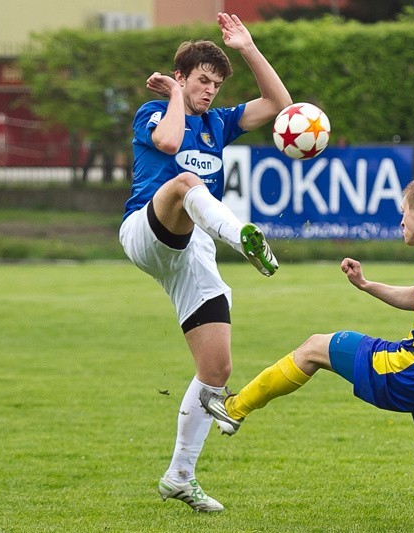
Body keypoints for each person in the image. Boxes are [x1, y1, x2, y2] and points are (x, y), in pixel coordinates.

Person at [199, 176, 414, 528]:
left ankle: (234, 408)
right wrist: (365, 285)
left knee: (314, 347)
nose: (401, 223)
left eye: (404, 213)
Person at [118, 12, 292, 512]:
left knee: (216, 369)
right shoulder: (154, 110)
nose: (210, 90)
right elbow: (170, 144)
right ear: (181, 78)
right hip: (146, 231)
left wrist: (248, 48)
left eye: (215, 83)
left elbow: (282, 106)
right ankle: (245, 239)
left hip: (193, 250)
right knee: (185, 183)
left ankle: (179, 475)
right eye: (201, 81)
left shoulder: (220, 122)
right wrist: (175, 97)